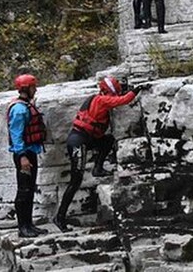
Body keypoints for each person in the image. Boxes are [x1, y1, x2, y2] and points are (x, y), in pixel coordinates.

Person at [52, 75, 147, 232]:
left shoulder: (96, 98)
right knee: (75, 181)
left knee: (107, 140)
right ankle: (60, 217)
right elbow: (121, 101)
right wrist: (135, 91)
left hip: (86, 138)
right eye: (112, 92)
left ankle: (98, 168)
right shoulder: (102, 100)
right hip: (78, 142)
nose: (113, 95)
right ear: (106, 91)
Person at [7, 73, 49, 238]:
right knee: (24, 190)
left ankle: (29, 224)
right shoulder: (19, 109)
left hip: (30, 151)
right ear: (26, 89)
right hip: (23, 154)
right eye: (33, 87)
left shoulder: (26, 104)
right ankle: (22, 227)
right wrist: (22, 156)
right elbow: (16, 134)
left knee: (30, 189)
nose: (35, 89)